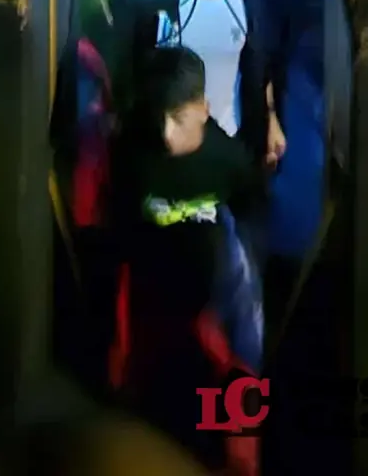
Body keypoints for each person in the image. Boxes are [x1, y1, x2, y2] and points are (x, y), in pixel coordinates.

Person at [108, 47, 266, 466]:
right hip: (153, 299)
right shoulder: (132, 152)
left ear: (203, 109)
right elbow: (120, 223)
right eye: (158, 117)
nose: (166, 134)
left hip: (212, 299)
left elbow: (249, 223)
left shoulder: (229, 160)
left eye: (178, 119)